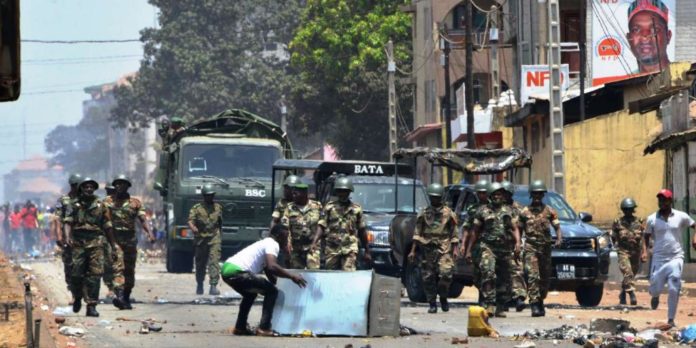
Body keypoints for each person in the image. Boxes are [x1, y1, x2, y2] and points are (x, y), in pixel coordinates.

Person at [221, 224, 307, 336]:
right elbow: (272, 266)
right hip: (238, 272)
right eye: (285, 237)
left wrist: (279, 284)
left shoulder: (265, 243)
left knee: (250, 295)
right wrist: (292, 276)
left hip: (227, 271)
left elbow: (268, 270)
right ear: (279, 236)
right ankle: (264, 328)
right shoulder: (273, 244)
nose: (286, 241)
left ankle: (240, 327)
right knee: (272, 292)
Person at [63, 177, 116, 317]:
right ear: (81, 188)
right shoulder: (73, 205)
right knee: (76, 274)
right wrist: (67, 237)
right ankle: (78, 297)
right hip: (78, 243)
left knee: (95, 275)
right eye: (86, 187)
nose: (89, 189)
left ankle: (92, 305)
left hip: (96, 242)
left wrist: (112, 245)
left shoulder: (100, 204)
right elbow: (67, 222)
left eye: (91, 187)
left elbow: (108, 225)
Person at [643, 189, 696, 327]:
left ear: (670, 201)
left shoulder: (681, 216)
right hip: (658, 259)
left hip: (676, 257)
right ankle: (655, 295)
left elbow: (694, 224)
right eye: (660, 200)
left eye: (665, 200)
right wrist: (645, 251)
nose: (662, 203)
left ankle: (671, 319)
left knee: (674, 286)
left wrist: (695, 238)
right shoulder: (651, 219)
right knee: (655, 289)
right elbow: (646, 236)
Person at [468, 182, 521, 317]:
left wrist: (518, 243)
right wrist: (469, 249)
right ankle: (489, 304)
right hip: (487, 247)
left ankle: (501, 306)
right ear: (491, 196)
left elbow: (514, 228)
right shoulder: (483, 211)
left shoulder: (509, 211)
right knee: (488, 272)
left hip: (504, 249)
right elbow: (474, 231)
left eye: (500, 194)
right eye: (495, 194)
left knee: (504, 277)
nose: (497, 197)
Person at [104, 175, 155, 310]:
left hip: (130, 241)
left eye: (123, 184)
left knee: (129, 271)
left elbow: (143, 219)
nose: (120, 186)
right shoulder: (107, 202)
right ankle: (119, 296)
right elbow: (102, 221)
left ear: (128, 186)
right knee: (118, 268)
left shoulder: (135, 203)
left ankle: (126, 297)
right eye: (118, 184)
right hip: (114, 240)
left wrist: (149, 233)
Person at [408, 183, 458, 314]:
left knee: (446, 274)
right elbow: (417, 233)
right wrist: (413, 250)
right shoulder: (424, 213)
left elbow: (454, 233)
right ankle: (432, 303)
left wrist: (455, 249)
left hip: (444, 247)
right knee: (428, 277)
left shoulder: (448, 213)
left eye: (437, 197)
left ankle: (443, 296)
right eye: (432, 197)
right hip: (427, 248)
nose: (434, 200)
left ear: (441, 197)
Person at [518, 180, 562, 317]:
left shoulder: (549, 210)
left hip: (545, 248)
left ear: (543, 195)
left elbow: (557, 226)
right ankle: (534, 304)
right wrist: (517, 243)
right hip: (531, 247)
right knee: (532, 276)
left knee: (544, 278)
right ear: (531, 195)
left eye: (540, 194)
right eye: (535, 194)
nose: (537, 196)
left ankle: (540, 299)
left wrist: (559, 238)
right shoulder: (524, 212)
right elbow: (518, 229)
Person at [311, 176, 371, 271]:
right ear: (337, 192)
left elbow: (362, 230)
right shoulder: (329, 207)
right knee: (330, 274)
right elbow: (321, 225)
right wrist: (314, 242)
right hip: (332, 248)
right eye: (340, 191)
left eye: (345, 191)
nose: (342, 194)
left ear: (349, 192)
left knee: (348, 273)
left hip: (350, 248)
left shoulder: (356, 209)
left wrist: (367, 250)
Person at [188, 184, 223, 295]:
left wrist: (219, 236)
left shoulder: (218, 208)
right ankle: (199, 284)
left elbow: (220, 223)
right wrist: (193, 228)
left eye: (212, 195)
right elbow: (190, 220)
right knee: (200, 264)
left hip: (214, 238)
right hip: (201, 239)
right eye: (208, 195)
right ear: (204, 196)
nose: (210, 197)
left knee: (214, 262)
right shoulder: (197, 208)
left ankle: (213, 286)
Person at [611, 197, 645, 306]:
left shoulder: (640, 222)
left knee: (630, 275)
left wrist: (644, 252)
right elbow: (613, 237)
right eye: (626, 209)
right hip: (623, 251)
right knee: (628, 272)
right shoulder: (618, 222)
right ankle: (632, 295)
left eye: (630, 209)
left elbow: (644, 238)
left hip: (636, 252)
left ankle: (622, 293)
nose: (628, 212)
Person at [280, 182, 322, 269]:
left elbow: (322, 225)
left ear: (304, 194)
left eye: (296, 193)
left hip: (312, 246)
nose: (293, 195)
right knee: (297, 273)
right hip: (296, 248)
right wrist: (287, 243)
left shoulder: (317, 206)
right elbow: (285, 227)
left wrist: (315, 242)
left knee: (313, 272)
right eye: (293, 193)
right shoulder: (289, 208)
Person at [501, 180, 527, 312]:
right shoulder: (496, 208)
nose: (504, 196)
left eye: (506, 193)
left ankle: (519, 298)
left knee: (517, 270)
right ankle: (504, 299)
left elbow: (526, 226)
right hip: (498, 245)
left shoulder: (519, 209)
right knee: (502, 272)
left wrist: (521, 242)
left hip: (514, 244)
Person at [461, 179, 489, 305]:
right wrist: (464, 245)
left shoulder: (493, 207)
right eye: (479, 193)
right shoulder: (472, 209)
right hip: (476, 244)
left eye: (484, 193)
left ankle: (487, 299)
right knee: (477, 273)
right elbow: (467, 228)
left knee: (487, 270)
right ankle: (481, 293)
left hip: (490, 245)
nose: (481, 195)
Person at [626, 0, 672, 74]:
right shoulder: (623, 83)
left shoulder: (689, 79)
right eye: (636, 30)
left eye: (655, 29)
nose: (645, 36)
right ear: (629, 39)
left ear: (668, 36)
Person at [55, 173, 81, 297]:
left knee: (85, 266)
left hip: (84, 237)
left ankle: (85, 292)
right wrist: (59, 236)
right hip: (68, 237)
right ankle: (74, 293)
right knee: (70, 266)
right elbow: (57, 219)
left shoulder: (86, 200)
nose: (76, 187)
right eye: (74, 185)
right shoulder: (64, 200)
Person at [102, 184, 117, 300]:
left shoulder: (122, 202)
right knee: (108, 262)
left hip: (121, 236)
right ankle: (111, 287)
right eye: (108, 191)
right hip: (107, 237)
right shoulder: (103, 204)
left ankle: (119, 288)